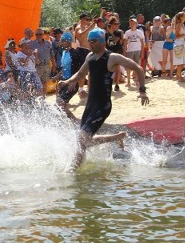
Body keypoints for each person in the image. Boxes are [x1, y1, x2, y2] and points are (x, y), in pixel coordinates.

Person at [58, 28, 149, 170]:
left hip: (102, 106)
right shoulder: (90, 57)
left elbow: (138, 68)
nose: (90, 44)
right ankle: (116, 137)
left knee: (82, 140)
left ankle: (72, 170)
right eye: (88, 41)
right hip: (90, 105)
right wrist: (67, 81)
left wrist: (142, 91)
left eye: (93, 41)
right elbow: (81, 73)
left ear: (101, 41)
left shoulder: (112, 57)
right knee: (84, 140)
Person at [123, 18, 145, 88]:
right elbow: (125, 43)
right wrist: (124, 52)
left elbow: (142, 43)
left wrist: (142, 53)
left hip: (138, 50)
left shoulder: (140, 32)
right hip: (129, 50)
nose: (132, 24)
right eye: (131, 23)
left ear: (136, 24)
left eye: (133, 23)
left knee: (137, 66)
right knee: (128, 66)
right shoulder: (127, 32)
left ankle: (136, 80)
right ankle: (128, 81)